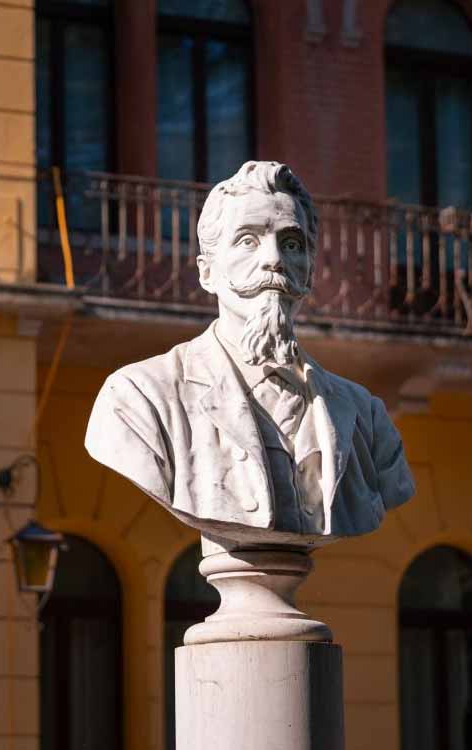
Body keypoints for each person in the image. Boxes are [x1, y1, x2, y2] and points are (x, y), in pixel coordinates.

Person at [85, 161, 414, 544]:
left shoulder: (366, 417)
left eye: (291, 244)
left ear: (308, 272)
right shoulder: (138, 398)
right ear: (207, 272)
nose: (274, 260)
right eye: (248, 240)